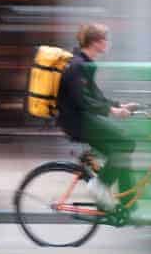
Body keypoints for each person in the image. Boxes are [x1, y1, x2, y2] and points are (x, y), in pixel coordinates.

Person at [56, 23, 136, 210]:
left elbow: (96, 96)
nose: (107, 43)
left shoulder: (86, 63)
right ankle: (99, 185)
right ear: (95, 42)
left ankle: (129, 207)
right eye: (104, 40)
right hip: (77, 122)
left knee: (120, 154)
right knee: (127, 143)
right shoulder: (77, 66)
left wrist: (118, 105)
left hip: (83, 119)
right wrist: (112, 112)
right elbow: (82, 100)